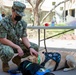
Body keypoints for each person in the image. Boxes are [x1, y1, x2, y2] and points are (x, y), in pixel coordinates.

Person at [0, 1, 38, 72]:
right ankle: (5, 62)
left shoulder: (22, 23)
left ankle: (17, 59)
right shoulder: (4, 22)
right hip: (5, 45)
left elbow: (24, 37)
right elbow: (2, 39)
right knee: (7, 52)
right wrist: (17, 47)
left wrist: (30, 47)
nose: (19, 16)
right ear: (12, 10)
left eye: (21, 14)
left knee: (35, 47)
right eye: (17, 14)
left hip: (16, 42)